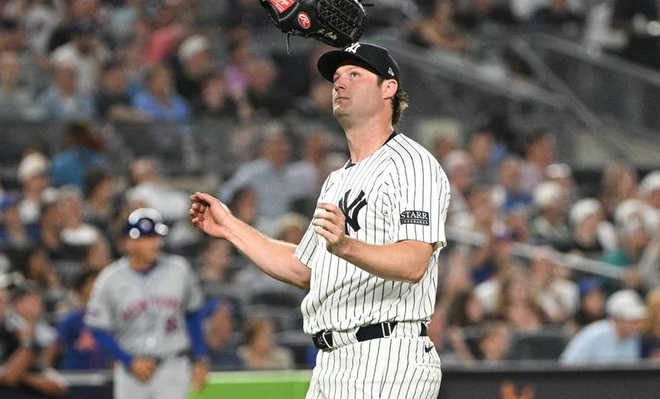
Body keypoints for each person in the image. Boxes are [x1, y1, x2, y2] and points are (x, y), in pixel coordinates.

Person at [191, 42, 449, 398]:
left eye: (355, 75)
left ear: (388, 88)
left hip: (387, 354)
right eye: (337, 77)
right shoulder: (337, 179)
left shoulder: (411, 164)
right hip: (332, 361)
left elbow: (415, 261)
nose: (339, 84)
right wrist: (230, 227)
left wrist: (345, 245)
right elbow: (305, 269)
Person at [85, 208, 208, 399]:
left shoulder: (179, 269)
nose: (155, 243)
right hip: (131, 371)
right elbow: (97, 327)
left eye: (156, 237)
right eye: (146, 238)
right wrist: (128, 360)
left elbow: (193, 314)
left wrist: (199, 357)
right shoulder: (109, 279)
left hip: (172, 365)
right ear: (129, 242)